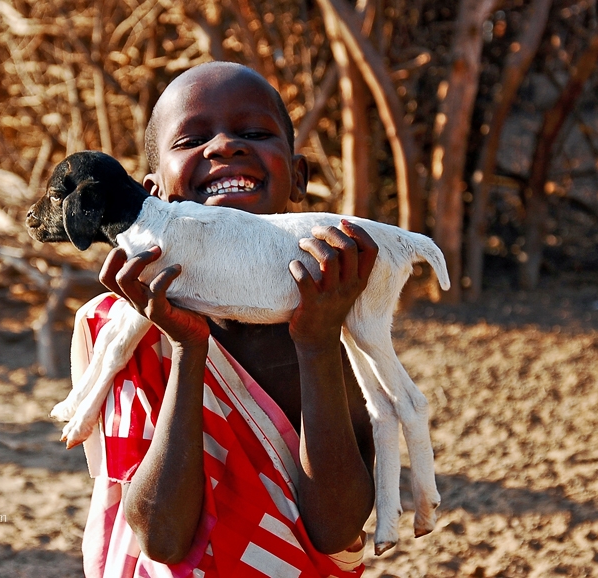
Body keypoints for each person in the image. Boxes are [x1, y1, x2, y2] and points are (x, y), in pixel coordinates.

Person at [72, 61, 379, 577]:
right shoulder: (111, 332)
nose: (223, 147)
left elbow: (335, 529)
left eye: (254, 133)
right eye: (191, 139)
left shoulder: (341, 306)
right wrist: (190, 351)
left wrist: (318, 342)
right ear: (153, 196)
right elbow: (162, 539)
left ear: (298, 177)